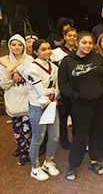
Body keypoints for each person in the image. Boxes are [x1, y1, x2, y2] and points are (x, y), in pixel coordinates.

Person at [58, 31, 103, 181]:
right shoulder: (67, 61)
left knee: (96, 133)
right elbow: (62, 85)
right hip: (80, 105)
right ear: (77, 43)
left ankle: (94, 162)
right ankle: (73, 165)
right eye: (84, 43)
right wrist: (77, 96)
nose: (87, 46)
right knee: (80, 137)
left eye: (90, 43)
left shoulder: (98, 58)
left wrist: (101, 91)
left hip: (99, 103)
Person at [24, 40, 60, 181]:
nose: (47, 51)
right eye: (43, 49)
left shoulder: (53, 67)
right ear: (35, 52)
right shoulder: (31, 69)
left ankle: (48, 161)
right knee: (38, 137)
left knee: (54, 135)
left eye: (49, 48)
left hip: (51, 105)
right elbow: (41, 92)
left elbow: (58, 87)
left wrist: (52, 95)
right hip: (37, 107)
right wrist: (51, 92)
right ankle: (35, 167)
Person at [0, 34, 33, 166]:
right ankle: (22, 149)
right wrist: (10, 73)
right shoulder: (4, 62)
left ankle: (30, 153)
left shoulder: (29, 60)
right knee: (17, 130)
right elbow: (5, 85)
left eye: (20, 44)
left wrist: (14, 69)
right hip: (13, 102)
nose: (17, 47)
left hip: (28, 102)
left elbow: (31, 78)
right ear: (9, 46)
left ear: (24, 46)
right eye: (14, 45)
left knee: (28, 130)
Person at [50, 27, 78, 150]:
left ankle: (77, 139)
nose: (72, 38)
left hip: (76, 89)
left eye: (74, 36)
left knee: (77, 118)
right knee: (63, 118)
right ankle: (64, 141)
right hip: (62, 90)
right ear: (65, 37)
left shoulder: (80, 51)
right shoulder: (56, 53)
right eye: (69, 35)